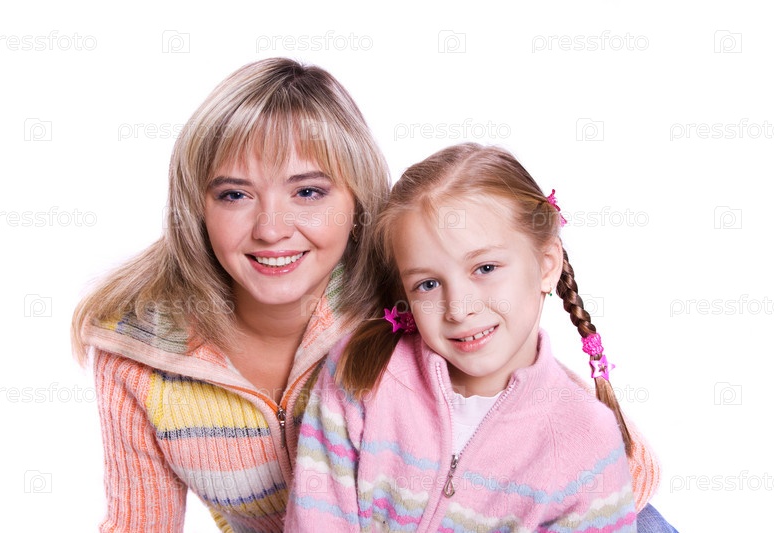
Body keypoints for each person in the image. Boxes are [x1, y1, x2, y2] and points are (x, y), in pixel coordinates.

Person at [71, 58, 390, 532]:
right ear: (196, 210)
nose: (271, 230)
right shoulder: (138, 353)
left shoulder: (406, 312)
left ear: (358, 203)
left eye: (307, 192)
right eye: (235, 195)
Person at [287, 143, 674, 531]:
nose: (458, 308)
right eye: (428, 284)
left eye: (485, 268)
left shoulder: (586, 439)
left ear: (546, 265)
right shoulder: (362, 374)